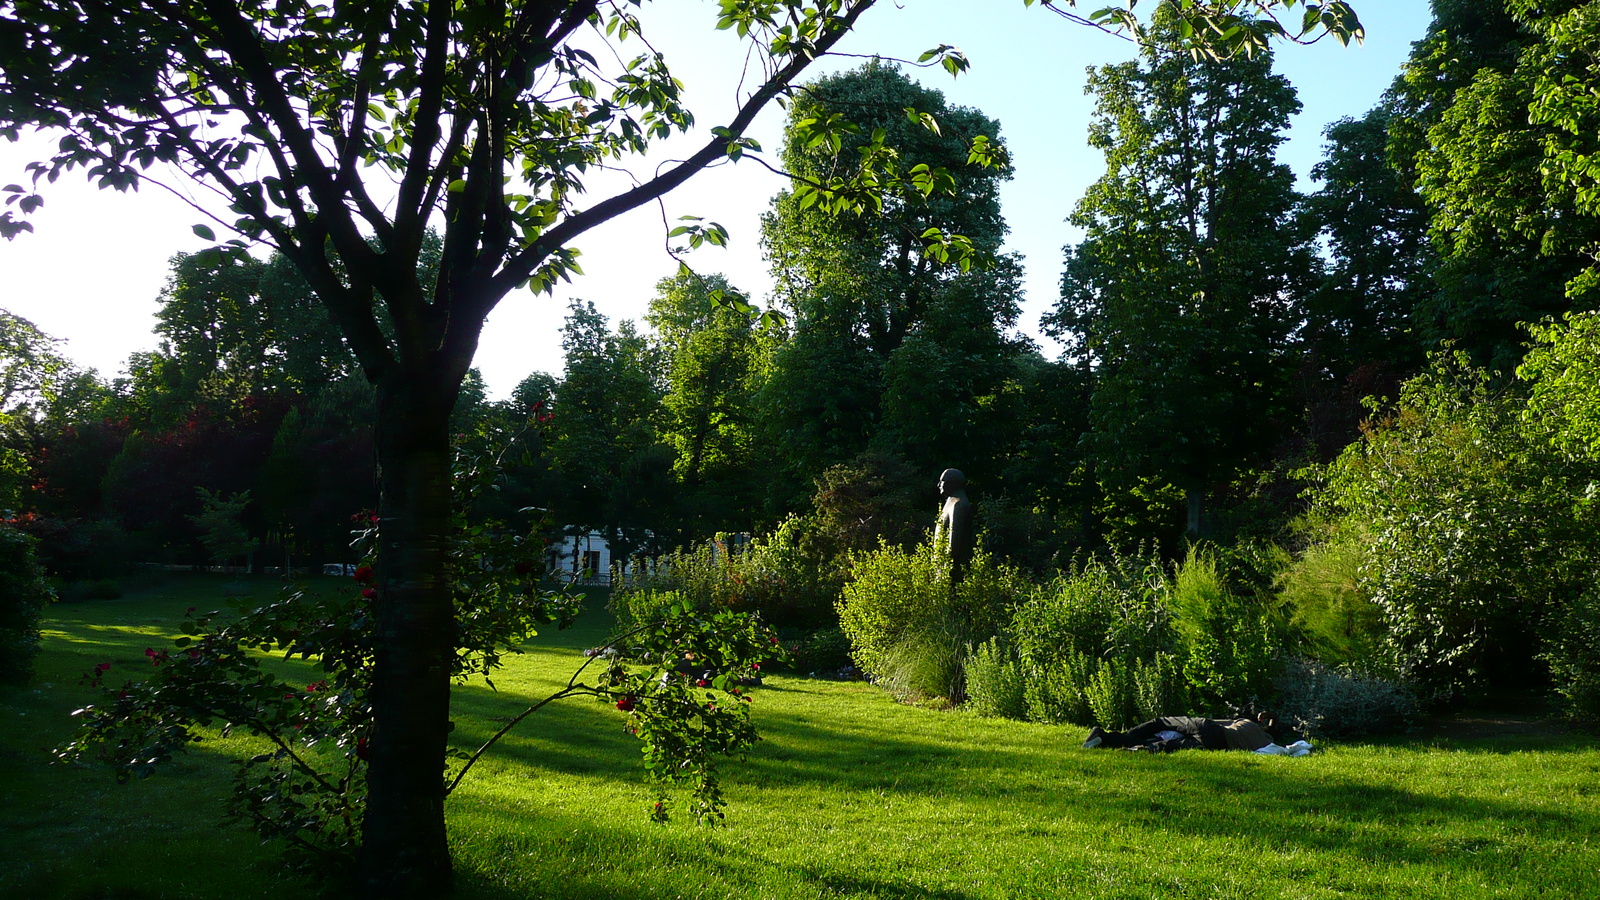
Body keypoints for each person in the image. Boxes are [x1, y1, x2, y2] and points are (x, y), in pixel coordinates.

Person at [1082, 711, 1305, 754]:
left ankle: (1108, 736)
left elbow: (1212, 723)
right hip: (1219, 745)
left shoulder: (1244, 723)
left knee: (1162, 722)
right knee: (1169, 746)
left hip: (1209, 729)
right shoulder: (1265, 741)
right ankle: (1133, 749)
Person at [934, 467, 975, 582]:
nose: (939, 485)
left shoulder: (958, 505)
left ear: (952, 483)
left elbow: (954, 543)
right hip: (942, 567)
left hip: (951, 570)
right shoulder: (951, 502)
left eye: (942, 481)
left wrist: (945, 567)